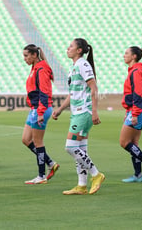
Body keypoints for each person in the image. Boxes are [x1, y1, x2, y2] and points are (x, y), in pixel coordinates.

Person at [52, 38, 105, 195]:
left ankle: (96, 174)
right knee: (81, 148)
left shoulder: (82, 64)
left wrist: (94, 111)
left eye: (71, 46)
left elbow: (93, 87)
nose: (68, 48)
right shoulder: (74, 67)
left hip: (84, 111)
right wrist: (60, 109)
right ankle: (81, 185)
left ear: (79, 50)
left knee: (71, 146)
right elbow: (73, 93)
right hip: (77, 112)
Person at [21, 44, 59, 184]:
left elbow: (44, 91)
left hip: (40, 109)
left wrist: (41, 112)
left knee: (38, 142)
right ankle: (50, 163)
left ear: (34, 55)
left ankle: (41, 176)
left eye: (26, 56)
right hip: (35, 109)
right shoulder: (36, 67)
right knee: (26, 140)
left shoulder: (41, 69)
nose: (24, 59)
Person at [119, 46, 142, 183]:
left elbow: (137, 95)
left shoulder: (136, 72)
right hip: (136, 110)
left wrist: (134, 114)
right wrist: (128, 111)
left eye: (126, 53)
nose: (124, 55)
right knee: (133, 143)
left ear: (134, 56)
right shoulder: (135, 71)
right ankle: (138, 174)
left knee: (124, 142)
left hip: (138, 111)